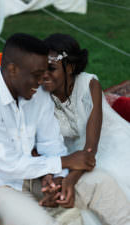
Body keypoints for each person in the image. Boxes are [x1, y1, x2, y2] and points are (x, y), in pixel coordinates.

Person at [0, 33, 130, 225]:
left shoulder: (38, 93)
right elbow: (9, 165)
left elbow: (51, 143)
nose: (41, 80)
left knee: (101, 182)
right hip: (1, 182)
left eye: (45, 72)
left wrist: (55, 179)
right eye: (36, 74)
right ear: (13, 70)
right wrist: (64, 162)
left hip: (40, 170)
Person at [42, 33, 130, 201]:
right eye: (40, 68)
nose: (44, 75)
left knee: (112, 175)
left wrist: (71, 179)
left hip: (108, 142)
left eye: (51, 68)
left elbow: (91, 146)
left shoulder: (89, 85)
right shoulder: (40, 96)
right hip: (73, 153)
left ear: (70, 68)